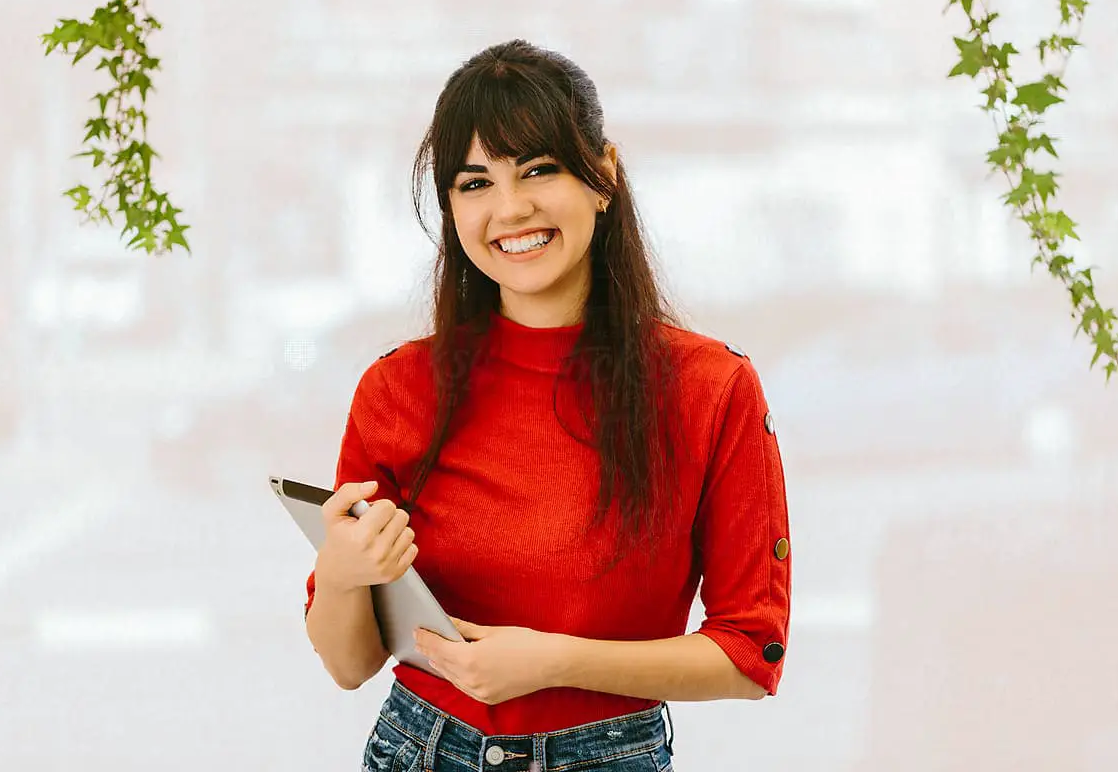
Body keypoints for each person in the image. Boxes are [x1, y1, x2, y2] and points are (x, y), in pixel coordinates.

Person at [303, 38, 791, 772]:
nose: (510, 208)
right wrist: (341, 572)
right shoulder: (397, 389)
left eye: (539, 169)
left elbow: (750, 654)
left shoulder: (709, 388)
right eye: (475, 183)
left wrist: (554, 662)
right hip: (420, 748)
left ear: (603, 175)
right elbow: (349, 666)